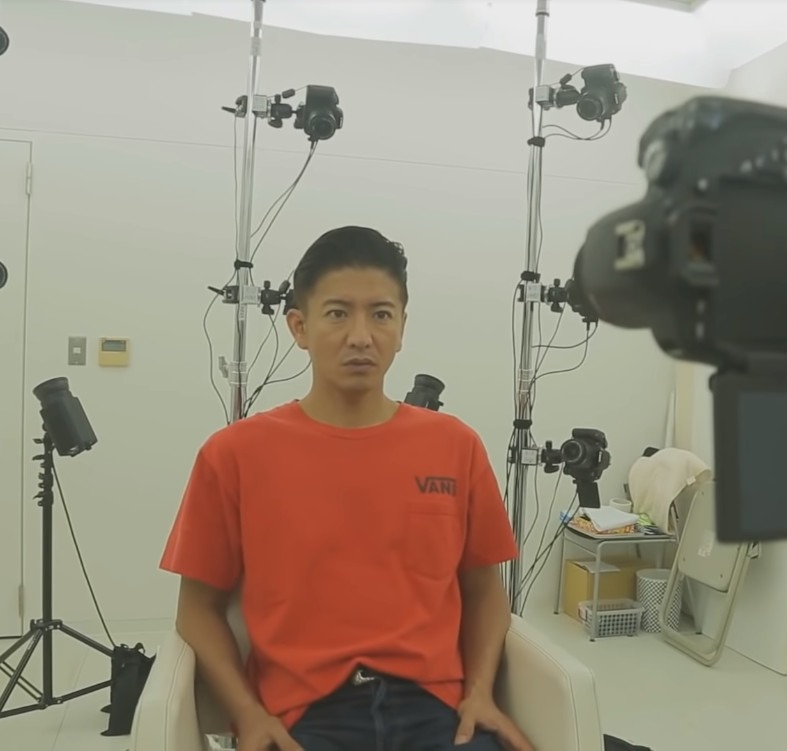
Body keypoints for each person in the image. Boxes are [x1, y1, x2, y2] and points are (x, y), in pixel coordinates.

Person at [160, 226, 534, 751]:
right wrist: (247, 713)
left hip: (438, 711)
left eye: (381, 314)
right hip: (304, 716)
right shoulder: (235, 454)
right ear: (299, 326)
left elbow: (484, 590)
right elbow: (196, 609)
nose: (361, 336)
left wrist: (480, 693)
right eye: (338, 314)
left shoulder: (455, 446)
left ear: (402, 327)